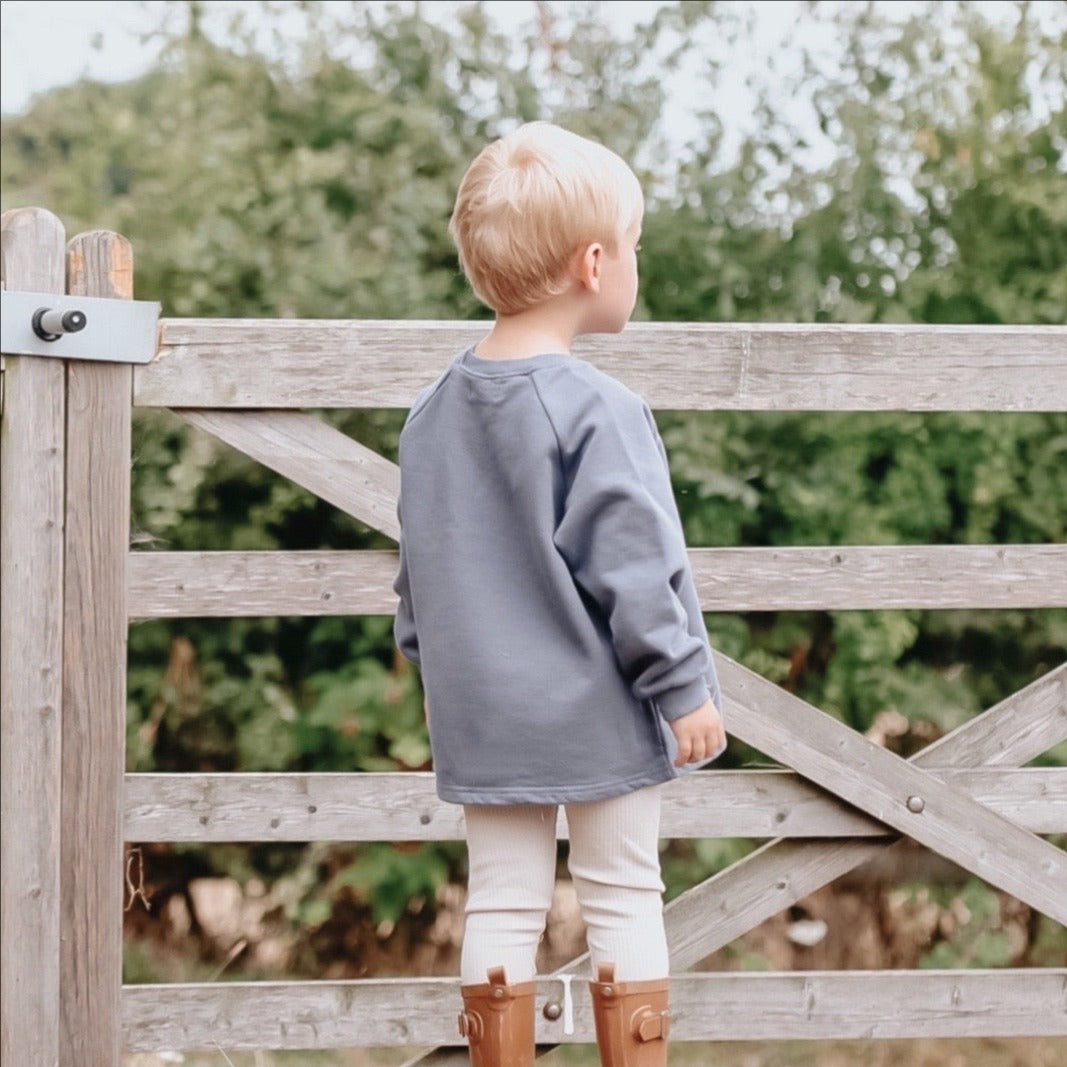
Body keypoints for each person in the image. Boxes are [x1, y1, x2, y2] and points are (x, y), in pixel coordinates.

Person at [392, 120, 727, 1067]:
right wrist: (682, 686)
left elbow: (417, 578)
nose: (633, 263)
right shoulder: (599, 409)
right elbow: (635, 569)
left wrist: (442, 675)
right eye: (633, 246)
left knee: (500, 899)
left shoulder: (429, 413)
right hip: (596, 712)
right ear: (592, 262)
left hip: (480, 715)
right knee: (622, 892)